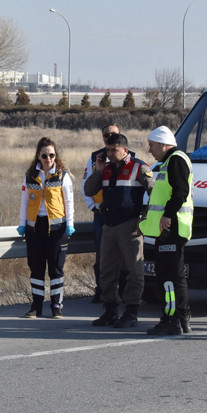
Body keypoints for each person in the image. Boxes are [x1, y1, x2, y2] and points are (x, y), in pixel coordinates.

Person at [84, 133, 152, 328]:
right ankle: (110, 311)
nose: (110, 154)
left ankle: (131, 312)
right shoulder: (104, 169)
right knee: (106, 271)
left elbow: (154, 193)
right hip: (109, 226)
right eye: (108, 150)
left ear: (125, 150)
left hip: (130, 226)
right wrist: (98, 170)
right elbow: (89, 190)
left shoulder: (139, 167)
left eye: (114, 150)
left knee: (134, 271)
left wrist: (145, 217)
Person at [139, 126, 194, 335]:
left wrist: (168, 215)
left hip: (172, 228)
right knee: (173, 276)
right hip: (168, 229)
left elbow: (180, 192)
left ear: (163, 143)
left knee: (169, 278)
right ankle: (182, 317)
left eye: (152, 145)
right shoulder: (168, 162)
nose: (150, 150)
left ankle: (171, 320)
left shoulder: (176, 160)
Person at [17, 137, 76, 318]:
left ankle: (56, 306)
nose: (48, 158)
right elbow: (24, 202)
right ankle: (36, 306)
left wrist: (70, 224)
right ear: (39, 156)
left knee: (56, 269)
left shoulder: (62, 176)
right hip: (35, 227)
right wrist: (22, 224)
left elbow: (69, 201)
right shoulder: (31, 177)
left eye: (51, 155)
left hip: (57, 228)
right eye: (44, 155)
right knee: (36, 268)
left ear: (55, 156)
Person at [83, 124, 130, 303]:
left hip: (126, 217)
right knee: (102, 256)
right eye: (106, 135)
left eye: (113, 134)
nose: (109, 137)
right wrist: (94, 207)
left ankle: (125, 292)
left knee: (126, 258)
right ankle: (103, 291)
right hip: (102, 215)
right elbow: (86, 184)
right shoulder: (97, 158)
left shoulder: (132, 160)